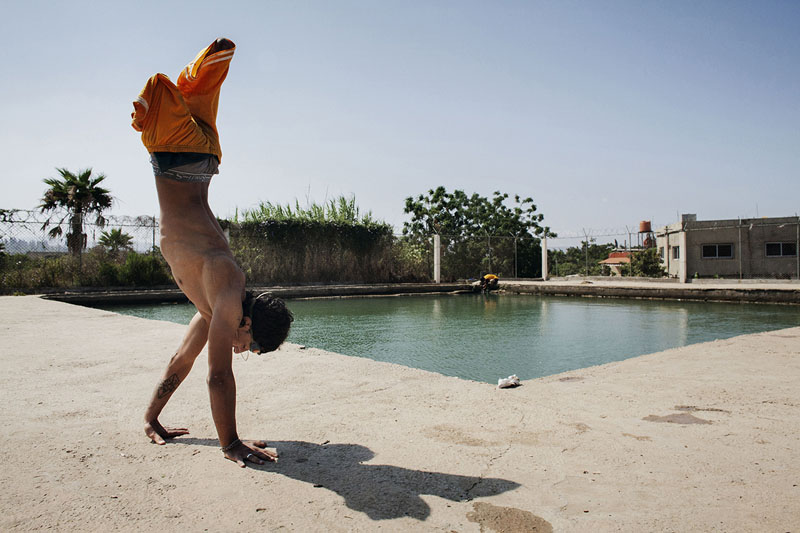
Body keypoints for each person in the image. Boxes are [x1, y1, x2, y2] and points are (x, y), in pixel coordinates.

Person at [131, 38, 294, 467]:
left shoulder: (215, 304)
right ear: (247, 323)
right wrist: (231, 443)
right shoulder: (225, 291)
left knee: (199, 86)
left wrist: (151, 418)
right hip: (176, 156)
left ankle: (200, 79)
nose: (244, 351)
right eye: (252, 345)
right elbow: (218, 376)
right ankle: (175, 91)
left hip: (201, 158)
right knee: (158, 95)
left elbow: (182, 359)